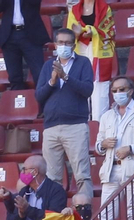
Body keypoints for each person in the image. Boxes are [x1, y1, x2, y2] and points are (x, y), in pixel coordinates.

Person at [38, 27, 94, 187]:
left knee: (82, 175)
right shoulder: (48, 66)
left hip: (75, 126)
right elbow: (39, 96)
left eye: (68, 43)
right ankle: (55, 205)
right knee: (51, 179)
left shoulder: (83, 62)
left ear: (74, 45)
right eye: (61, 42)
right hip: (51, 127)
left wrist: (66, 77)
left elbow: (87, 90)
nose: (64, 46)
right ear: (55, 45)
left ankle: (84, 203)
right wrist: (52, 82)